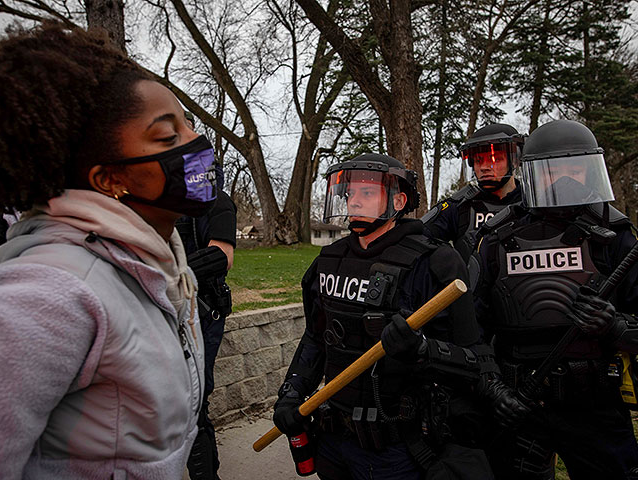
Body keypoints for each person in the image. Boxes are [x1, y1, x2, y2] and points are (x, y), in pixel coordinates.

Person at [0, 23, 213, 478]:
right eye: (167, 137)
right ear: (109, 180)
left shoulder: (158, 265)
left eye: (188, 124)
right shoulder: (50, 294)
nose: (196, 142)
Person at [273, 153, 496, 479]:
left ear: (398, 200)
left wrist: (421, 349)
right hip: (333, 441)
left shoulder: (436, 263)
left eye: (367, 193)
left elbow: (471, 360)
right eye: (350, 194)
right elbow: (316, 338)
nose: (356, 202)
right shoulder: (328, 261)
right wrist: (291, 392)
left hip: (396, 447)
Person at [471, 119, 638, 479]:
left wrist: (615, 325)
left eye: (575, 169)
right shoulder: (496, 239)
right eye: (553, 171)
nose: (564, 181)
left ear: (591, 170)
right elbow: (469, 331)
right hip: (518, 402)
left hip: (595, 405)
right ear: (533, 175)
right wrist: (492, 389)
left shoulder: (617, 238)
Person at [177, 185, 237, 479]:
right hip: (162, 309)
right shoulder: (160, 200)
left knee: (194, 401)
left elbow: (222, 256)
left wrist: (170, 272)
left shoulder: (217, 202)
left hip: (201, 314)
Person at [422, 124, 525, 262]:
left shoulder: (532, 204)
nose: (484, 167)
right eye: (478, 160)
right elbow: (417, 239)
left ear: (515, 161)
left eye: (494, 159)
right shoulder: (459, 207)